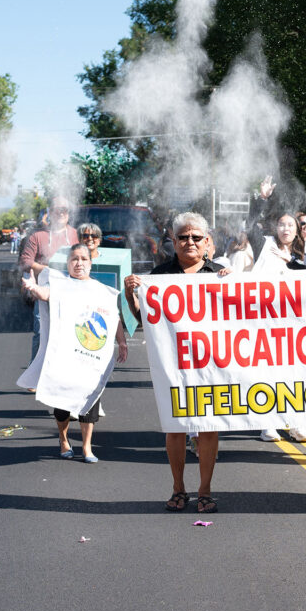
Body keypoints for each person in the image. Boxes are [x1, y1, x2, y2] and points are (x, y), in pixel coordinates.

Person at [124, 212, 231, 513]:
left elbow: (239, 319)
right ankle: (178, 488)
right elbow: (145, 321)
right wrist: (131, 295)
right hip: (174, 367)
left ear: (207, 241)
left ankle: (206, 490)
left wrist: (233, 286)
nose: (190, 242)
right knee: (176, 428)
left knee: (209, 427)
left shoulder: (221, 274)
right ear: (173, 241)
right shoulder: (157, 278)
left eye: (196, 237)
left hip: (212, 365)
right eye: (183, 237)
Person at [22, 244, 128, 462]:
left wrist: (122, 341)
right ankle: (63, 440)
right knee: (62, 405)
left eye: (83, 259)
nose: (79, 263)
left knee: (90, 399)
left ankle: (87, 447)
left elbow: (114, 316)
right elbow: (46, 294)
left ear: (90, 263)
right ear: (68, 263)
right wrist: (33, 288)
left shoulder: (101, 290)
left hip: (90, 357)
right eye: (74, 259)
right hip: (65, 356)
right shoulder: (61, 286)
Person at [252, 212, 306, 443]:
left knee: (296, 375)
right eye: (281, 225)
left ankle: (296, 424)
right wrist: (262, 200)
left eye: (290, 225)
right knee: (268, 373)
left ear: (298, 229)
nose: (286, 229)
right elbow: (250, 225)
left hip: (296, 322)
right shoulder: (265, 244)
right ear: (275, 228)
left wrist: (290, 261)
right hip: (266, 321)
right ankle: (267, 424)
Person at [20, 196, 79, 360]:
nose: (61, 213)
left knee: (70, 332)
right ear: (50, 212)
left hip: (71, 290)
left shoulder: (76, 235)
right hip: (43, 291)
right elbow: (25, 261)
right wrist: (49, 271)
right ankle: (35, 375)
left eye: (64, 210)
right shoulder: (37, 236)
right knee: (41, 331)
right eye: (57, 210)